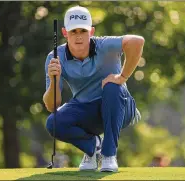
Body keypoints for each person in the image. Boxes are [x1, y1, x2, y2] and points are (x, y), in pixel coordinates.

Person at [43, 5, 144, 172]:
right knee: (53, 122)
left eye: (83, 31)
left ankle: (109, 155)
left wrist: (122, 77)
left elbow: (137, 41)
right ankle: (93, 147)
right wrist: (55, 80)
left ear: (91, 32)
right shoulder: (55, 57)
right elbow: (51, 105)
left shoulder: (104, 45)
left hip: (120, 107)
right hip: (87, 110)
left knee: (112, 87)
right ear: (64, 33)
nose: (78, 36)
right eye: (73, 31)